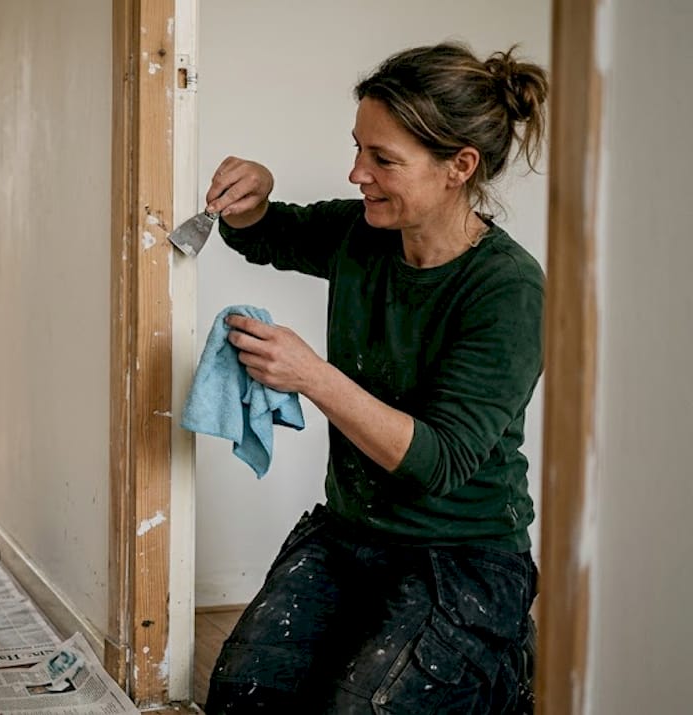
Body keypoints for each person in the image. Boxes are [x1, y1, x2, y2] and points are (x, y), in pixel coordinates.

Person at [201, 42, 547, 714]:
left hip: (465, 557)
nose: (358, 172)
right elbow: (266, 233)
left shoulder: (507, 288)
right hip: (350, 534)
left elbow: (438, 461)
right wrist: (253, 193)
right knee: (240, 698)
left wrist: (312, 376)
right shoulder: (365, 236)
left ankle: (497, 670)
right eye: (359, 148)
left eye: (383, 159)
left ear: (459, 166)